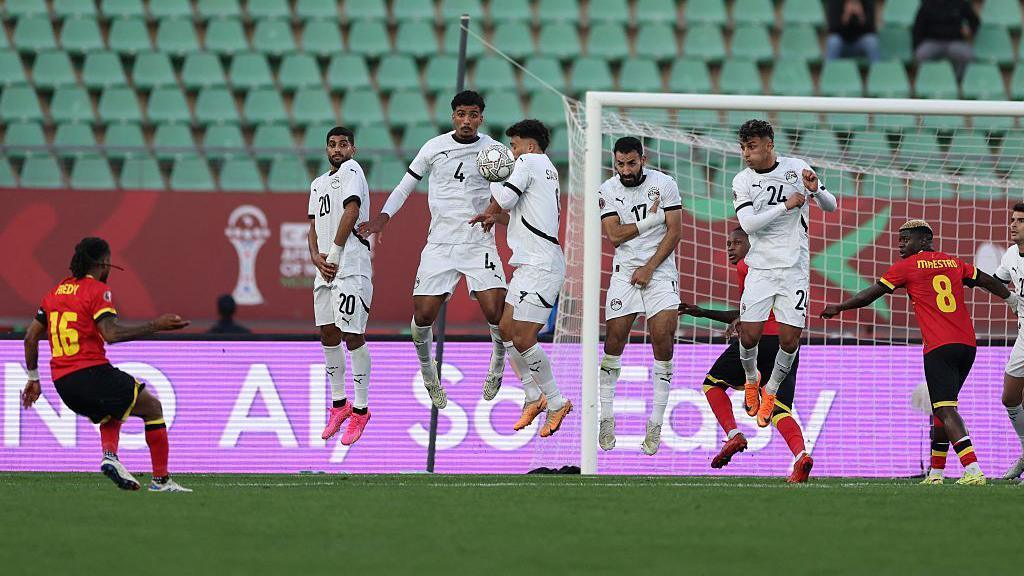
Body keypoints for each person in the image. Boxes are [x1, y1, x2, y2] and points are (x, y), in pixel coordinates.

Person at [821, 220, 1014, 485]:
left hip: (938, 346)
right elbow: (986, 281)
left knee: (946, 410)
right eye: (899, 239)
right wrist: (1012, 300)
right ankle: (936, 473)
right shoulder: (954, 263)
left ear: (924, 241)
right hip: (967, 345)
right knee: (942, 408)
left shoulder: (906, 267)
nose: (900, 244)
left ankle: (972, 470)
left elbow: (868, 296)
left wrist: (839, 308)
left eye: (906, 239)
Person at [357, 91, 509, 409]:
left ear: (481, 117)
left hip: (478, 241)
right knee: (423, 316)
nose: (466, 121)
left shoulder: (494, 152)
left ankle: (497, 363)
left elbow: (506, 197)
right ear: (453, 115)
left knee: (496, 312)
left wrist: (495, 213)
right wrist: (383, 218)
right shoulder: (434, 147)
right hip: (440, 245)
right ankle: (429, 375)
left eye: (473, 115)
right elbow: (404, 186)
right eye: (461, 114)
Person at [20, 237, 191, 492]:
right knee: (153, 407)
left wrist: (34, 378)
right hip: (91, 373)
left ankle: (110, 456)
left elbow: (30, 337)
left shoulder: (55, 293)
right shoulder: (98, 291)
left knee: (115, 406)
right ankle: (161, 480)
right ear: (105, 263)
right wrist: (155, 325)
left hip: (63, 385)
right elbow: (110, 334)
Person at [680, 228, 813, 483]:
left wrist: (734, 320)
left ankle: (733, 433)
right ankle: (800, 456)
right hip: (786, 345)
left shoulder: (746, 267)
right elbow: (751, 310)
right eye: (728, 243)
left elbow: (751, 313)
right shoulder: (790, 268)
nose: (731, 248)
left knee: (712, 385)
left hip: (758, 340)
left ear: (754, 244)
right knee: (779, 411)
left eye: (737, 243)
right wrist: (704, 312)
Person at [731, 119, 837, 430]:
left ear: (769, 144)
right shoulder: (742, 181)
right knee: (749, 335)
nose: (747, 154)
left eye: (752, 147)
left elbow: (831, 206)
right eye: (743, 148)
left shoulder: (796, 167)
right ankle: (752, 380)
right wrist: (786, 205)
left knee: (789, 340)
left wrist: (816, 190)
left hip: (794, 269)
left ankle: (772, 390)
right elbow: (748, 224)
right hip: (761, 267)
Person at [471, 119, 572, 437]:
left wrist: (490, 180)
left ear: (529, 145)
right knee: (504, 330)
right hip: (531, 264)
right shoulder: (544, 167)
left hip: (541, 266)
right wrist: (491, 215)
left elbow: (503, 200)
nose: (511, 152)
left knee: (524, 336)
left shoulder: (528, 162)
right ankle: (533, 395)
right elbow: (513, 214)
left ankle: (556, 401)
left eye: (514, 145)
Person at [594, 136, 682, 456]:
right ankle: (606, 416)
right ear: (614, 162)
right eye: (620, 163)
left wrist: (649, 267)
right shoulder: (608, 189)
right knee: (614, 340)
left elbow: (675, 230)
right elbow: (615, 236)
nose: (626, 169)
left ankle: (656, 423)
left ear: (643, 159)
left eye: (632, 162)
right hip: (623, 274)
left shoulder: (665, 184)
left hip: (659, 272)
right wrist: (652, 219)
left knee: (663, 337)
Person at [309, 126, 373, 446]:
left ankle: (361, 408)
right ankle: (339, 404)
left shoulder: (352, 170)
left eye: (343, 144)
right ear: (326, 150)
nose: (337, 149)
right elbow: (312, 225)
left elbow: (352, 209)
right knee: (328, 333)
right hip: (326, 270)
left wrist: (333, 253)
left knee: (351, 334)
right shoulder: (318, 183)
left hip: (349, 266)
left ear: (353, 148)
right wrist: (315, 258)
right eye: (332, 145)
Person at [992, 204, 1024, 481]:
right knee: (1010, 397)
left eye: (1021, 221)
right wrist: (1010, 298)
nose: (1013, 225)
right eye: (1013, 220)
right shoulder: (1012, 254)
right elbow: (996, 281)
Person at [912, 0, 979, 81]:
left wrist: (970, 30)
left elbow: (975, 21)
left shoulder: (960, 3)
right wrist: (917, 45)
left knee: (968, 55)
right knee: (920, 54)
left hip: (954, 41)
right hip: (932, 42)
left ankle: (957, 80)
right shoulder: (927, 4)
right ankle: (929, 80)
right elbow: (917, 28)